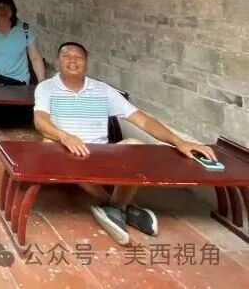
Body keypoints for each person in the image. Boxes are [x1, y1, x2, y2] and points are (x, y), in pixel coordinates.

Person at [34, 41, 217, 246]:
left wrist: (179, 142)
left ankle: (114, 208)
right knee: (49, 141)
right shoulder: (46, 88)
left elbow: (142, 120)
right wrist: (65, 136)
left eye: (78, 57)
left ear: (86, 63)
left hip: (100, 153)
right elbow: (40, 121)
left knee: (136, 145)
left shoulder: (102, 90)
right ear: (58, 61)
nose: (72, 61)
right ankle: (119, 206)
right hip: (67, 151)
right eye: (67, 56)